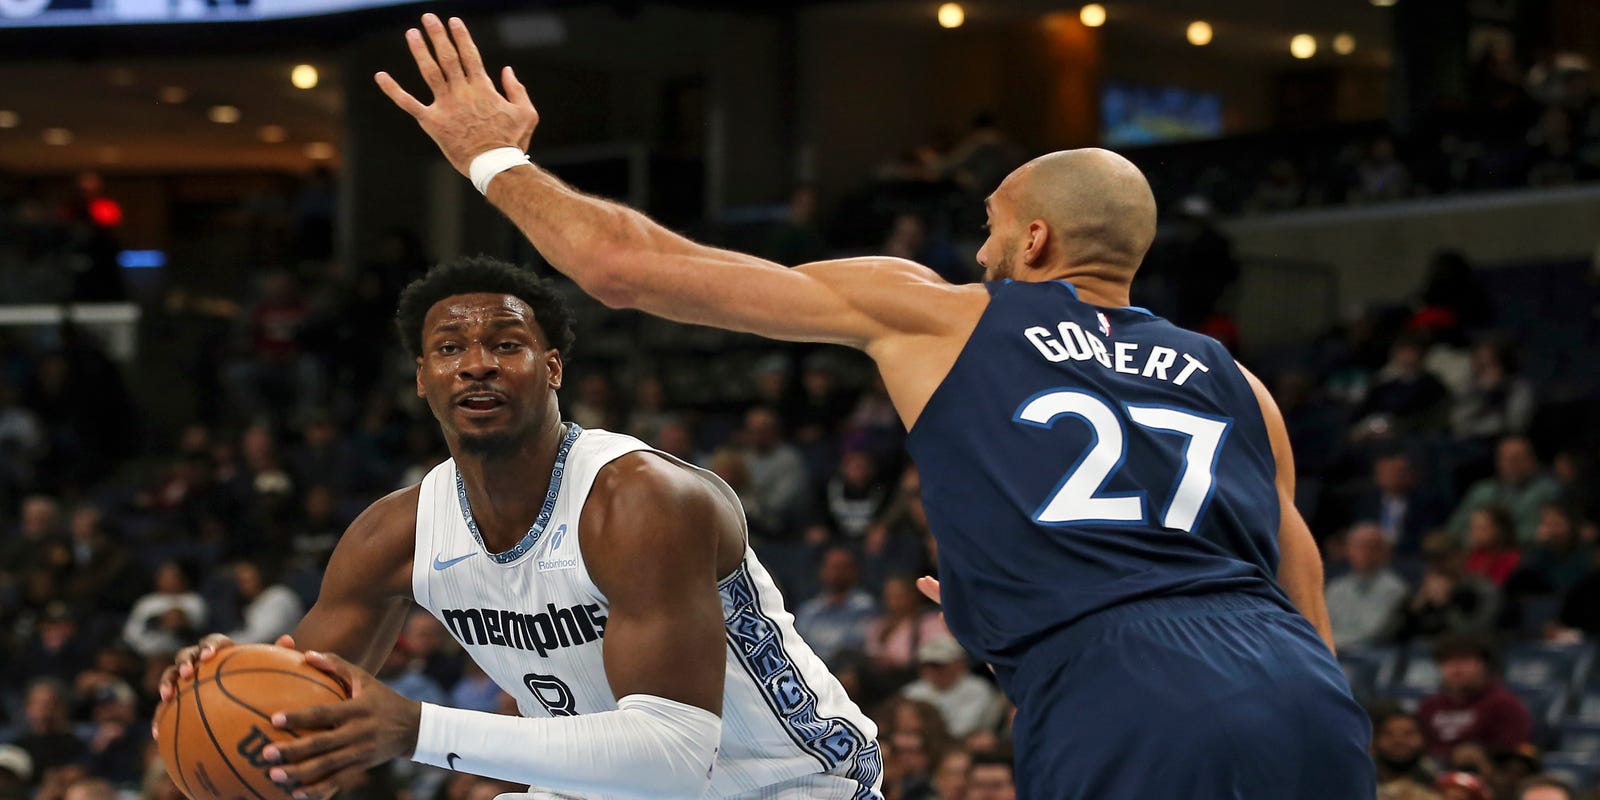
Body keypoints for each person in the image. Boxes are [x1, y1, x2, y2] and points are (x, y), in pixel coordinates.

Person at [372, 13, 1373, 796]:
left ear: (1029, 244)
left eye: (987, 230)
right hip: (1301, 692)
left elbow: (625, 268)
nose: (976, 252)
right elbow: (1304, 596)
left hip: (1123, 689)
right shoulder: (1236, 382)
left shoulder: (948, 314)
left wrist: (490, 158)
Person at [158, 256, 880, 800]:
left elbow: (675, 752)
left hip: (786, 785)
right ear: (421, 377)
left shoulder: (640, 501)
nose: (477, 364)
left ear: (553, 366)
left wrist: (417, 730)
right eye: (450, 349)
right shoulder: (397, 534)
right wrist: (221, 678)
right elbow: (298, 703)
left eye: (507, 344)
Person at [1417, 635, 1532, 758]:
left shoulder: (1504, 704)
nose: (1456, 669)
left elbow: (1511, 753)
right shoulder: (1429, 705)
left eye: (1464, 661)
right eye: (1447, 662)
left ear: (1482, 665)